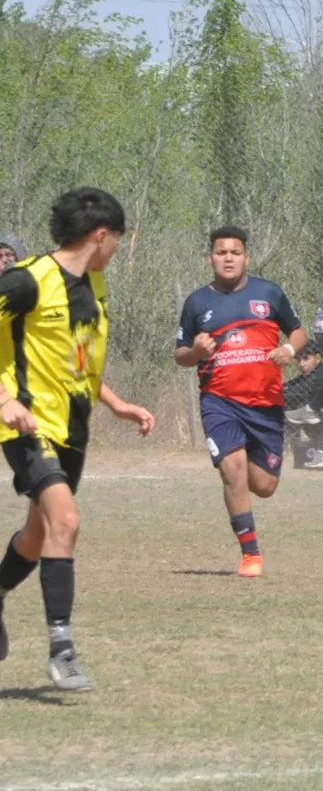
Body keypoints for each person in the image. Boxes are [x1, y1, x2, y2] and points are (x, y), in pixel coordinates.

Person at [0, 188, 155, 691]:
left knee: (39, 535)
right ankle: (62, 650)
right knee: (66, 521)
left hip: (73, 430)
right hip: (26, 426)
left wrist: (116, 403)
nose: (117, 250)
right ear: (100, 235)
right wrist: (4, 401)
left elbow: (77, 358)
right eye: (118, 240)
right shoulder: (26, 280)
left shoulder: (95, 284)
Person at [176, 226, 307, 578]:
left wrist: (288, 349)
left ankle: (244, 456)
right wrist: (196, 351)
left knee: (264, 486)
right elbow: (181, 354)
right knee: (232, 471)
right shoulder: (197, 302)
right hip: (219, 401)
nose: (228, 258)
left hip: (265, 403)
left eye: (235, 252)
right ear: (211, 258)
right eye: (221, 252)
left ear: (246, 258)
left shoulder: (269, 293)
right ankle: (251, 555)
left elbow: (298, 331)